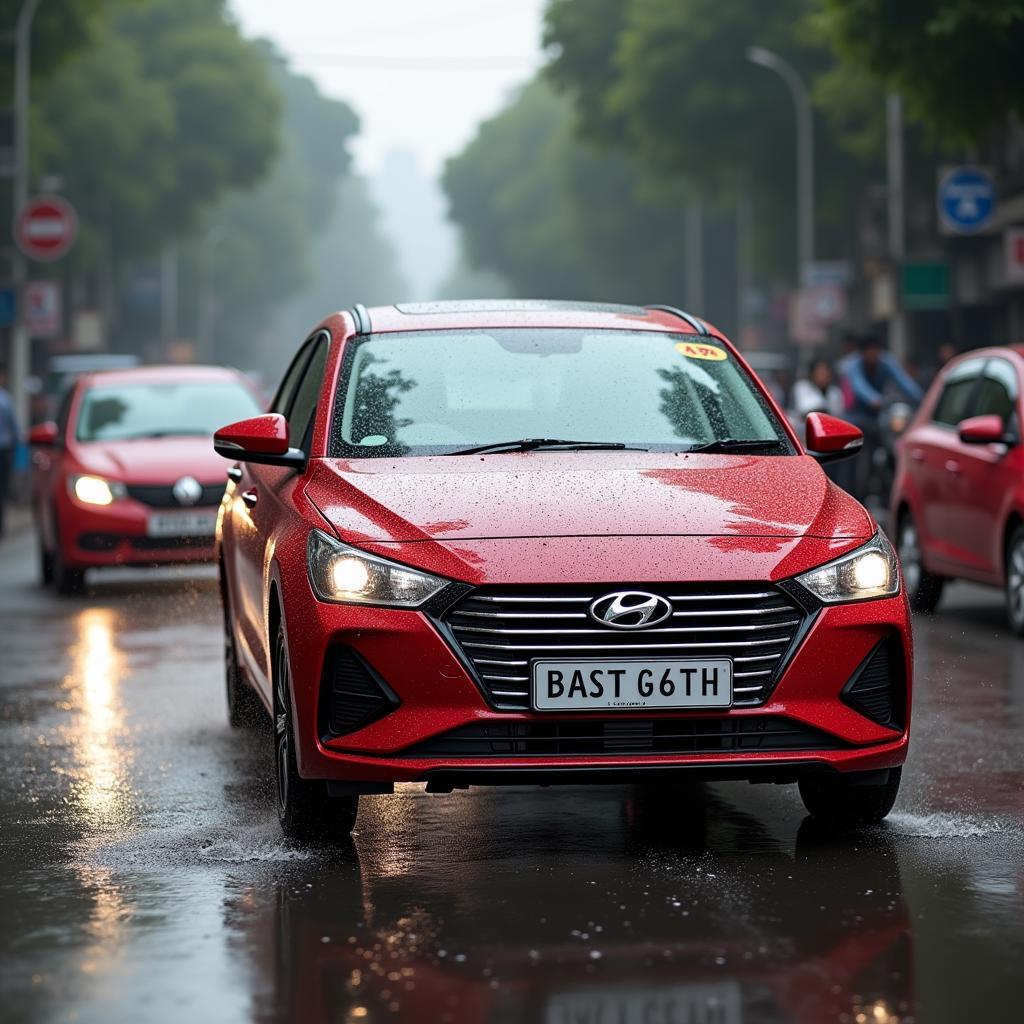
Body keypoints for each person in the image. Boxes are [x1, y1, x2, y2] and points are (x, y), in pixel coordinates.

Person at [841, 334, 923, 502]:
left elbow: (905, 383)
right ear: (862, 353)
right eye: (869, 351)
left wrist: (923, 401)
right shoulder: (853, 366)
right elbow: (859, 387)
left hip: (881, 416)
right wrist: (874, 400)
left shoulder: (887, 362)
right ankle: (857, 494)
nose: (873, 354)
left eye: (875, 350)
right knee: (860, 457)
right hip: (857, 419)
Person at [0, 369, 21, 539]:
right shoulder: (5, 399)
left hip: (5, 450)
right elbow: (15, 429)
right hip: (5, 450)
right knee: (3, 489)